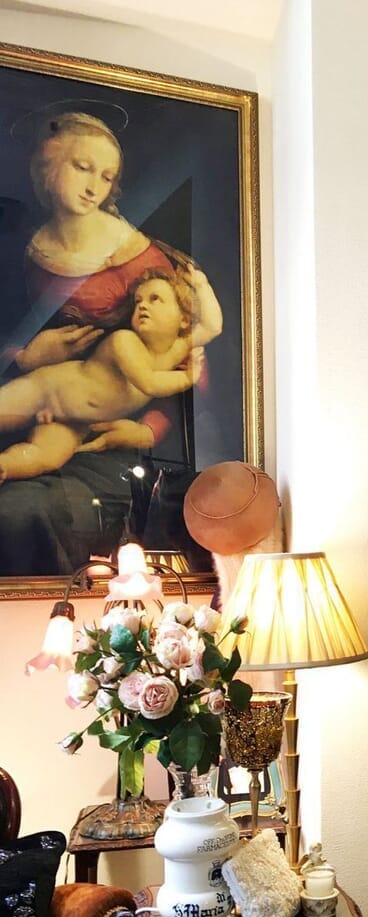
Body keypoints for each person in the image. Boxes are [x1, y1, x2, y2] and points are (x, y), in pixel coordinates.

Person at [0, 111, 222, 575]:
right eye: (83, 168)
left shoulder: (142, 260)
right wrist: (27, 356)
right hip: (55, 389)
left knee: (26, 503)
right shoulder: (25, 249)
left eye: (105, 177)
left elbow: (192, 354)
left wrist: (148, 431)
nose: (93, 188)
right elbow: (11, 333)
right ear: (47, 164)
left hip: (110, 437)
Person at [0, 267, 219, 482]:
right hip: (46, 389)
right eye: (138, 301)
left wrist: (201, 285)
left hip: (76, 422)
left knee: (47, 457)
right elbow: (149, 383)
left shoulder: (178, 348)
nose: (142, 305)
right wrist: (187, 377)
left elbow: (212, 328)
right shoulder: (125, 341)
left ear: (184, 319)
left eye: (155, 299)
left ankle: (4, 467)